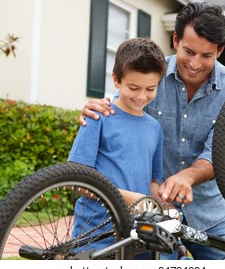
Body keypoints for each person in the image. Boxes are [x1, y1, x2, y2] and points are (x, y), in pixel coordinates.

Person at [80, 2, 225, 260]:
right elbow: (120, 109)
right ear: (176, 40)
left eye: (206, 56)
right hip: (150, 212)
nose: (195, 64)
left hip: (207, 212)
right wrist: (97, 108)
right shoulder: (150, 76)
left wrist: (187, 176)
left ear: (220, 51)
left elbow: (221, 153)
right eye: (189, 51)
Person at [67, 37, 167, 256]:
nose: (141, 96)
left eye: (151, 88)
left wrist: (165, 206)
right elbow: (75, 180)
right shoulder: (98, 117)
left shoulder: (154, 129)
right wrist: (133, 198)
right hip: (95, 235)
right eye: (133, 87)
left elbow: (151, 184)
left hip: (137, 235)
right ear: (116, 80)